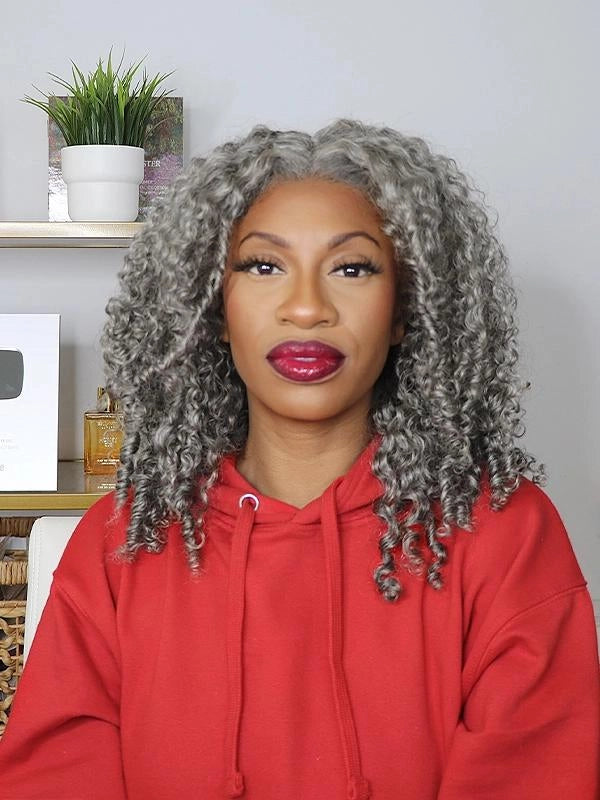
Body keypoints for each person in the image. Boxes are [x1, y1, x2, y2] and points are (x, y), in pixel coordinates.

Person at [0, 118, 598, 800]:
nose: (307, 307)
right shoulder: (121, 539)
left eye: (352, 267)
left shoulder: (505, 533)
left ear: (406, 310)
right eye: (263, 265)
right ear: (213, 309)